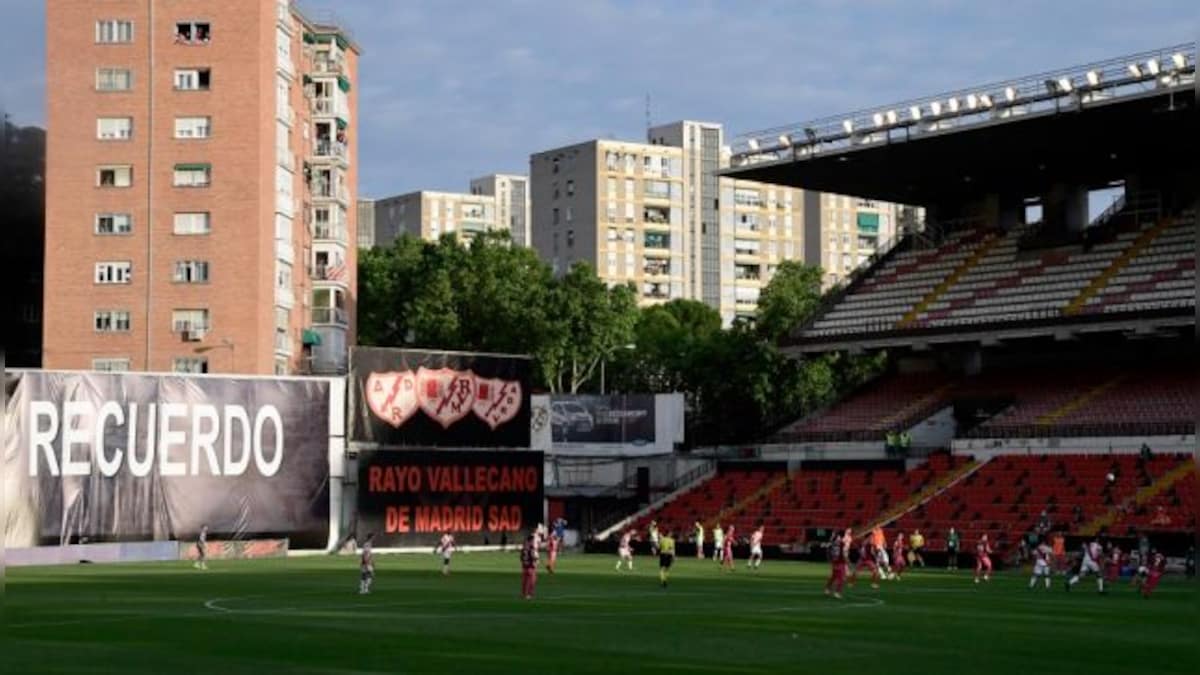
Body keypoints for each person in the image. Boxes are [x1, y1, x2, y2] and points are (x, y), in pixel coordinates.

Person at [825, 528, 851, 599]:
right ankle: (837, 592)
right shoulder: (841, 543)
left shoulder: (835, 542)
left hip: (836, 562)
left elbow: (829, 551)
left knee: (834, 576)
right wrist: (848, 562)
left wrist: (830, 559)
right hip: (840, 562)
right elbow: (843, 554)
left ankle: (827, 588)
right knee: (841, 578)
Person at [520, 533, 539, 600]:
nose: (533, 542)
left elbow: (521, 558)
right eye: (533, 540)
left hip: (524, 567)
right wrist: (536, 559)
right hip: (530, 567)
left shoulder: (524, 547)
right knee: (532, 581)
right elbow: (532, 556)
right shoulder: (531, 548)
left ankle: (523, 594)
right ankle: (529, 594)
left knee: (524, 582)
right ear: (531, 540)